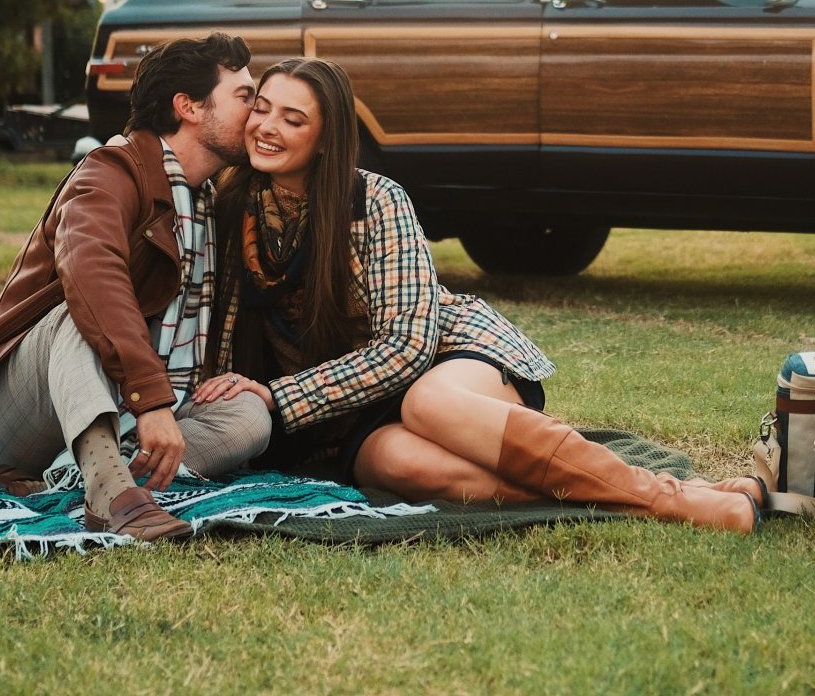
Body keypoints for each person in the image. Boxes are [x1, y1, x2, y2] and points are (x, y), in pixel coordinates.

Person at [199, 56, 762, 532]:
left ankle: (672, 502)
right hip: (349, 409)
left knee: (429, 403)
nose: (267, 127)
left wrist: (282, 397)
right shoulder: (230, 207)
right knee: (395, 463)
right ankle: (639, 494)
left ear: (326, 138)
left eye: (293, 119)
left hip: (446, 357)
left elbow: (408, 346)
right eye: (262, 108)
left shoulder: (374, 199)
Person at [0, 33, 274, 542]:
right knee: (77, 308)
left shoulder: (207, 202)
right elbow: (92, 270)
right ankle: (112, 498)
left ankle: (81, 471)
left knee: (249, 418)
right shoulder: (111, 172)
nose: (258, 115)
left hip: (126, 399)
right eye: (245, 98)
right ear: (190, 107)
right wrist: (152, 402)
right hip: (8, 413)